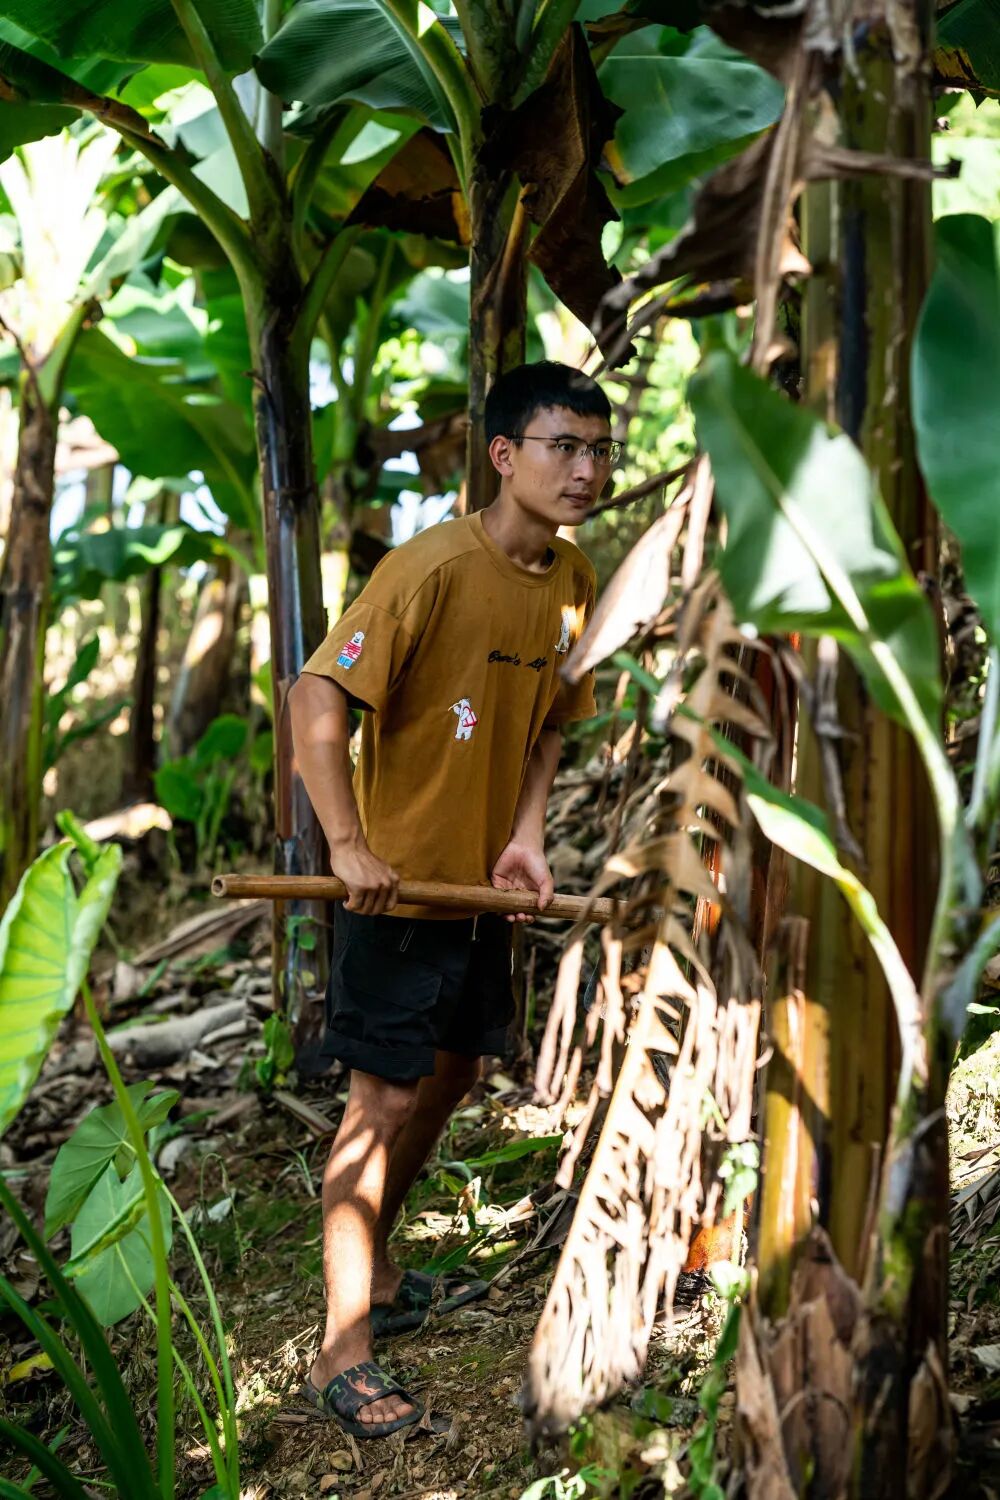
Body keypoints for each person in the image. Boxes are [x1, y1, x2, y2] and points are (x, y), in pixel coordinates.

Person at [288, 360, 617, 1437]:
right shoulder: (429, 566)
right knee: (380, 1104)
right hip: (395, 890)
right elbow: (314, 694)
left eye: (599, 449)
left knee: (455, 1071)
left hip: (477, 889)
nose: (586, 469)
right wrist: (347, 845)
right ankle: (340, 1356)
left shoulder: (573, 579)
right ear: (504, 455)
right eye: (563, 447)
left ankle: (377, 1271)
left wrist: (526, 837)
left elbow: (550, 723)